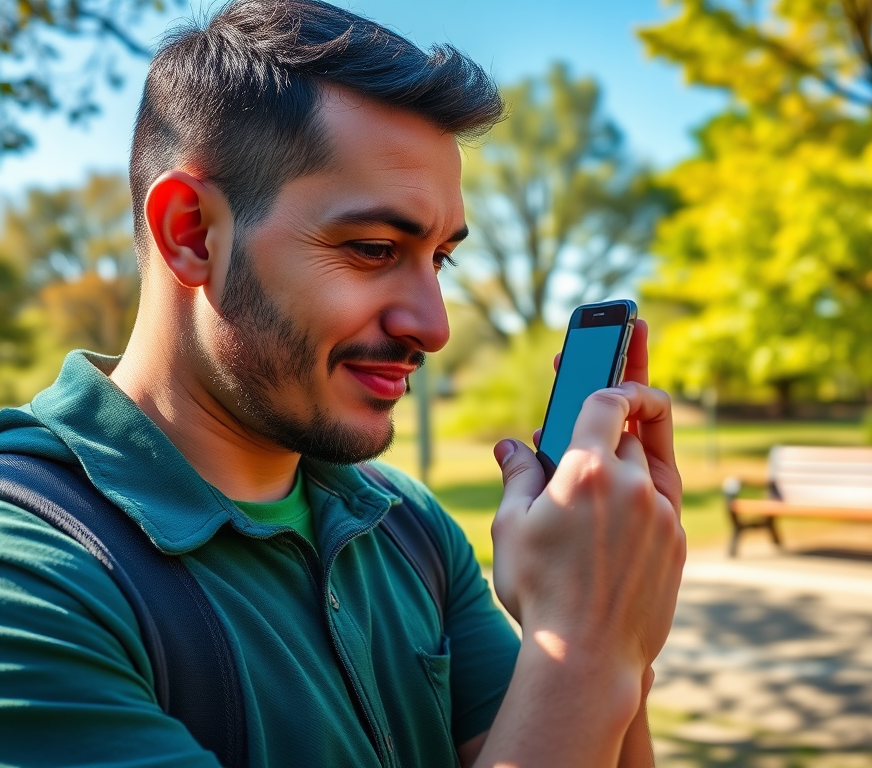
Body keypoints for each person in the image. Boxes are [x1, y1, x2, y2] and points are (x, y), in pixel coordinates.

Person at [0, 0, 686, 766]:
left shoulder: (407, 525)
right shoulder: (29, 577)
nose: (433, 326)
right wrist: (587, 642)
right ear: (191, 233)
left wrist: (618, 628)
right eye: (371, 248)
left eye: (440, 259)